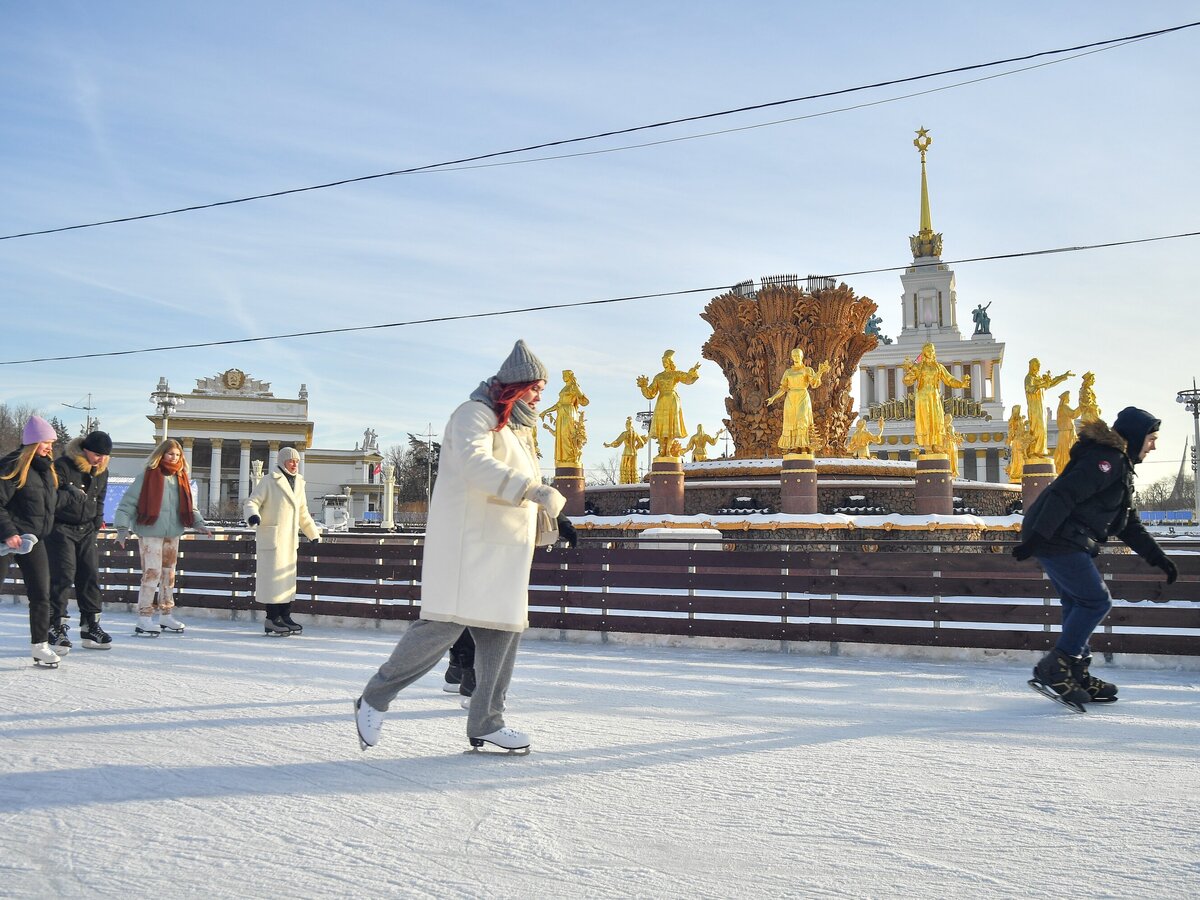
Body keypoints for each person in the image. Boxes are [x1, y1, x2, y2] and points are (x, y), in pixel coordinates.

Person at [355, 340, 566, 754]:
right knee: (441, 627)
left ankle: (487, 721)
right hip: (469, 547)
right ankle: (374, 698)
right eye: (536, 386)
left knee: (504, 632)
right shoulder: (474, 414)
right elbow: (475, 464)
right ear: (516, 385)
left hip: (503, 548)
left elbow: (526, 489)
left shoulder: (516, 428)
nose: (541, 395)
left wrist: (556, 519)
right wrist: (533, 490)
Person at [1012, 407, 1178, 708]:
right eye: (1151, 439)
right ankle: (1055, 667)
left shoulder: (1121, 466)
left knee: (1078, 603)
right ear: (1137, 436)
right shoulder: (1107, 460)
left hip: (1061, 538)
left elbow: (1128, 524)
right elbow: (1064, 494)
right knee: (1096, 601)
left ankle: (1074, 671)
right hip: (1056, 537)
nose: (1154, 446)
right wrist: (1036, 538)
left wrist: (1158, 558)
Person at [114, 439, 211, 636]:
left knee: (169, 575)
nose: (174, 458)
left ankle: (166, 615)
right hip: (150, 532)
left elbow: (190, 507)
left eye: (177, 455)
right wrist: (122, 529)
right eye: (170, 454)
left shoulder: (182, 478)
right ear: (162, 455)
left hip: (173, 533)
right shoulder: (147, 477)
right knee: (152, 574)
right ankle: (144, 617)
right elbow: (127, 504)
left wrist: (199, 523)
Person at [0, 416, 63, 667]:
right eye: (46, 442)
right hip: (6, 541)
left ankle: (40, 645)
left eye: (51, 443)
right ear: (33, 442)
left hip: (34, 540)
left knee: (40, 592)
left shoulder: (47, 469)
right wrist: (8, 532)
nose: (50, 447)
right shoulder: (12, 466)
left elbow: (46, 506)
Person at [244, 446, 322, 635]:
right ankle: (272, 618)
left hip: (289, 541)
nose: (295, 464)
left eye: (297, 461)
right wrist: (253, 516)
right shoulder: (270, 480)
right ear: (282, 462)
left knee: (286, 579)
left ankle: (285, 616)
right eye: (291, 461)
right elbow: (251, 502)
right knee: (273, 581)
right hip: (273, 539)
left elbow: (302, 512)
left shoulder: (300, 483)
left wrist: (313, 534)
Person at [47, 430, 113, 651]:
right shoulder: (63, 465)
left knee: (90, 575)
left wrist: (97, 520)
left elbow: (100, 499)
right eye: (97, 454)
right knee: (63, 575)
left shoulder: (102, 472)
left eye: (105, 455)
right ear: (85, 449)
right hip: (60, 528)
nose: (100, 459)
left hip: (86, 530)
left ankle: (90, 626)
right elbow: (50, 498)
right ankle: (55, 626)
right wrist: (69, 491)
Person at [902, 342, 969, 454]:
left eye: (932, 350)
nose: (931, 352)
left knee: (937, 419)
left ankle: (936, 445)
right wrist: (908, 372)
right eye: (928, 350)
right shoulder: (918, 367)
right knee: (926, 421)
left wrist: (961, 384)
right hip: (923, 396)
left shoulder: (939, 367)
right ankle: (928, 447)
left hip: (934, 396)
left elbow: (949, 379)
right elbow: (907, 381)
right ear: (924, 352)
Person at [636, 350, 700, 458]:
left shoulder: (675, 374)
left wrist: (693, 371)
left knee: (670, 426)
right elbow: (651, 393)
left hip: (672, 401)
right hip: (661, 401)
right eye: (663, 361)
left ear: (670, 362)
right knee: (661, 427)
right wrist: (643, 386)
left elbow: (687, 379)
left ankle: (668, 451)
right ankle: (662, 450)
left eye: (666, 361)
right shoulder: (658, 376)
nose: (664, 363)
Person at [765, 347, 830, 453]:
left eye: (798, 355)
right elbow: (783, 388)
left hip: (802, 395)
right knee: (791, 421)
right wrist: (773, 398)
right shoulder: (788, 372)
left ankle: (804, 446)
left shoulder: (807, 370)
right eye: (794, 355)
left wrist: (820, 372)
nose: (796, 357)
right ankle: (793, 446)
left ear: (802, 356)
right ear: (791, 357)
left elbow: (814, 383)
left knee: (802, 419)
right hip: (790, 397)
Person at [1023, 358, 1073, 458]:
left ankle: (1039, 451)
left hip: (1041, 407)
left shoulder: (1038, 378)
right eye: (1037, 364)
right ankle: (1033, 451)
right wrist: (1041, 385)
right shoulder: (1029, 377)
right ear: (1032, 365)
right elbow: (1030, 388)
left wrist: (1063, 377)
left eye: (1039, 365)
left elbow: (1050, 383)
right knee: (1037, 427)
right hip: (1034, 408)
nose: (1039, 367)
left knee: (1043, 428)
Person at [540, 369, 589, 468]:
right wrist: (545, 411)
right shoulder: (564, 388)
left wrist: (576, 386)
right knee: (561, 435)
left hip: (569, 412)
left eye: (565, 375)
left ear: (570, 376)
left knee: (568, 435)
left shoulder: (573, 387)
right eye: (562, 375)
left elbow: (584, 401)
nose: (563, 377)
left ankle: (571, 458)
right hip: (561, 413)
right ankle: (563, 459)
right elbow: (558, 404)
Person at [603, 417, 647, 484]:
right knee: (633, 468)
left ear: (627, 425)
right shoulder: (636, 434)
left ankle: (625, 482)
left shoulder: (625, 433)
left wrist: (609, 445)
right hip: (634, 453)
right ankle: (633, 481)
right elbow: (642, 443)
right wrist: (636, 448)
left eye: (626, 425)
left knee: (625, 468)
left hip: (626, 452)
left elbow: (617, 442)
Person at [1053, 391, 1080, 474]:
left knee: (1065, 449)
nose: (1069, 399)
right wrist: (1082, 406)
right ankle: (1065, 465)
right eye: (1068, 397)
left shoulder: (1062, 407)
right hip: (1066, 432)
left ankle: (1064, 465)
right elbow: (1073, 414)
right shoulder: (1064, 407)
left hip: (1066, 431)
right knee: (1066, 449)